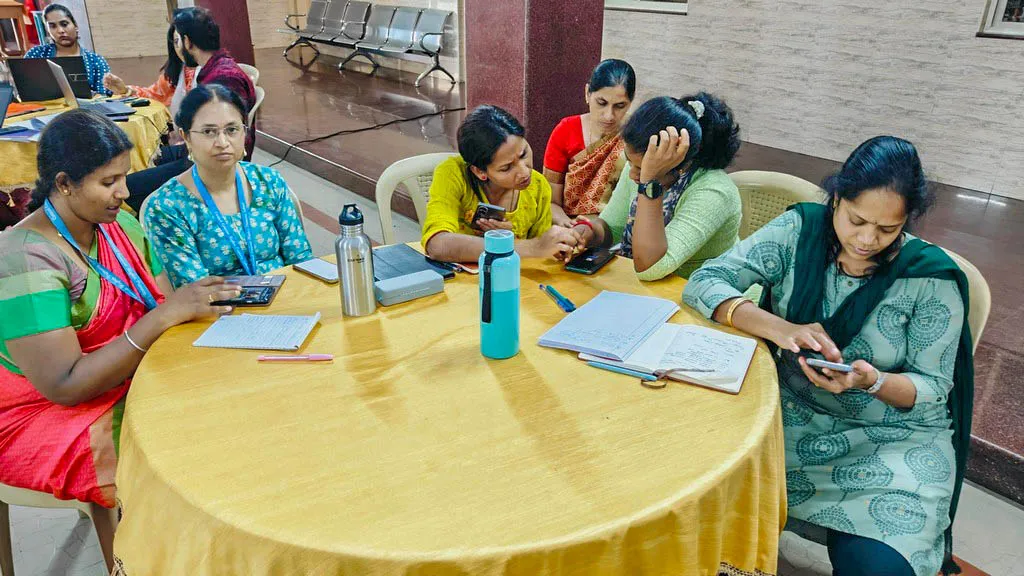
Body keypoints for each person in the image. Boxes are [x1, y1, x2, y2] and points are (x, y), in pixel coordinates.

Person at [682, 136, 974, 576]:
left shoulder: (928, 278)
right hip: (786, 415)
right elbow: (707, 280)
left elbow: (934, 386)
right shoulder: (800, 232)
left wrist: (871, 381)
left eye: (887, 229)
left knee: (881, 569)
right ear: (836, 199)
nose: (867, 239)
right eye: (856, 220)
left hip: (890, 441)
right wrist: (781, 329)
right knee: (689, 496)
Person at [0, 110, 242, 567]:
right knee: (167, 455)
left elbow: (163, 307)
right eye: (109, 181)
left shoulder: (119, 227)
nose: (125, 192)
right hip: (42, 410)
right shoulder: (24, 260)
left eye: (125, 177)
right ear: (65, 184)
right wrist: (161, 318)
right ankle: (153, 562)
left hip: (123, 375)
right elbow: (65, 386)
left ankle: (212, 553)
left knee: (228, 408)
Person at [143, 85, 312, 288]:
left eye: (232, 130)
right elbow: (196, 291)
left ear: (244, 132)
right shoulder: (168, 207)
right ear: (186, 137)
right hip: (219, 305)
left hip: (289, 296)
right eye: (209, 132)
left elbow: (301, 259)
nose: (223, 142)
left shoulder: (267, 181)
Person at [570, 93, 742, 281]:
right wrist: (588, 233)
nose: (632, 174)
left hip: (704, 293)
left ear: (679, 162)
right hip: (650, 290)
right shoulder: (641, 168)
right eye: (630, 162)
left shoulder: (714, 191)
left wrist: (649, 182)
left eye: (641, 169)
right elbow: (612, 228)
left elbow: (651, 266)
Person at [422, 105, 581, 263]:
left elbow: (542, 255)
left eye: (523, 154)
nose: (524, 172)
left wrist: (559, 246)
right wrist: (526, 247)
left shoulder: (538, 186)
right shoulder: (453, 174)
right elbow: (437, 245)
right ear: (480, 172)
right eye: (506, 168)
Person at [543, 59, 635, 227]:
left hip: (616, 230)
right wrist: (570, 226)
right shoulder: (566, 131)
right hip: (570, 227)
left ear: (631, 102)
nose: (609, 115)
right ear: (587, 94)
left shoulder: (634, 135)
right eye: (602, 103)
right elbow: (551, 202)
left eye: (620, 106)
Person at [173, 6, 256, 158]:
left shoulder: (223, 79)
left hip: (217, 159)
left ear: (187, 42)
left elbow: (224, 134)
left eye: (178, 41)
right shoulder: (216, 69)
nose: (177, 48)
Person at [103, 25, 196, 118]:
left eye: (187, 40)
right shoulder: (175, 73)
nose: (182, 47)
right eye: (176, 41)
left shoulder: (204, 72)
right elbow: (153, 96)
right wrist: (125, 90)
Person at [24, 3, 111, 96]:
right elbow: (25, 88)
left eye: (64, 24)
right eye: (53, 26)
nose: (60, 30)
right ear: (48, 30)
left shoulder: (95, 61)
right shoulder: (36, 55)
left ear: (75, 26)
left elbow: (104, 96)